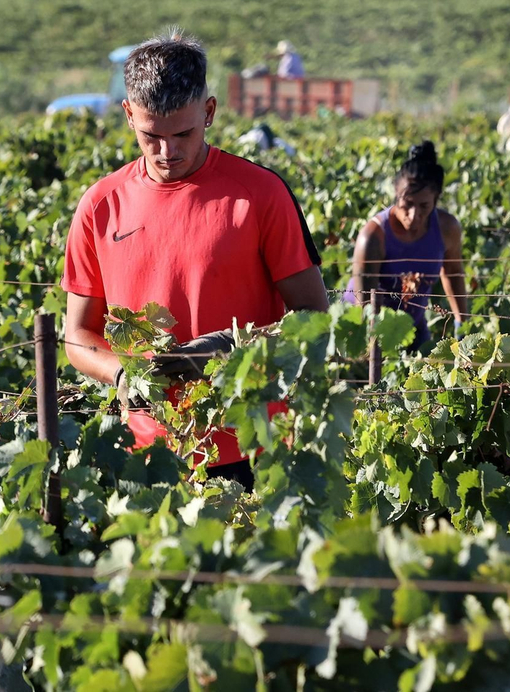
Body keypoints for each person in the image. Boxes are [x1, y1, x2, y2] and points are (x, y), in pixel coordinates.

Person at [61, 31, 330, 490]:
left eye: (183, 134)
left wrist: (228, 347)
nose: (167, 152)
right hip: (146, 456)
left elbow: (315, 320)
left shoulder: (261, 194)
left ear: (209, 112)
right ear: (128, 115)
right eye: (151, 136)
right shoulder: (100, 205)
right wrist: (121, 374)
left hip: (251, 447)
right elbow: (78, 334)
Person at [345, 142, 468, 351]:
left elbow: (453, 273)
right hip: (364, 325)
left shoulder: (447, 228)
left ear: (436, 199)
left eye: (424, 206)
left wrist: (461, 323)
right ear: (396, 193)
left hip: (412, 324)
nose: (413, 215)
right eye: (407, 204)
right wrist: (373, 351)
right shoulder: (373, 236)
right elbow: (364, 306)